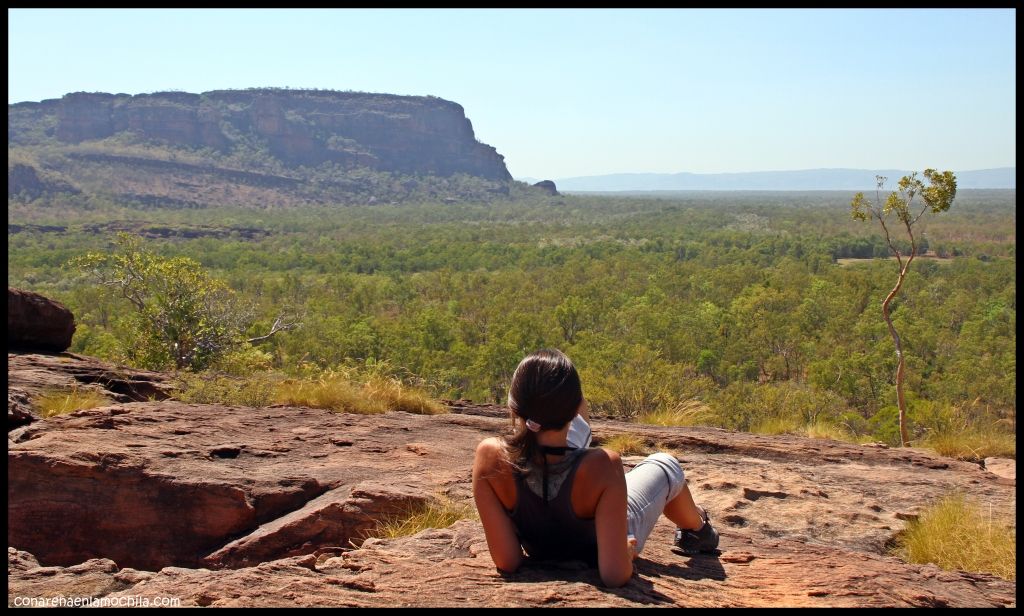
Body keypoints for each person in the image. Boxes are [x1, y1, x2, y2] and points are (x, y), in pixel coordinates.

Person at [472, 348, 719, 588]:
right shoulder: (603, 464)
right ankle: (697, 529)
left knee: (568, 441)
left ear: (514, 407)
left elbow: (508, 560)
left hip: (545, 540)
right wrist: (625, 551)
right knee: (666, 464)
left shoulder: (490, 456)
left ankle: (549, 421)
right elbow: (614, 575)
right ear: (574, 409)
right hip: (606, 538)